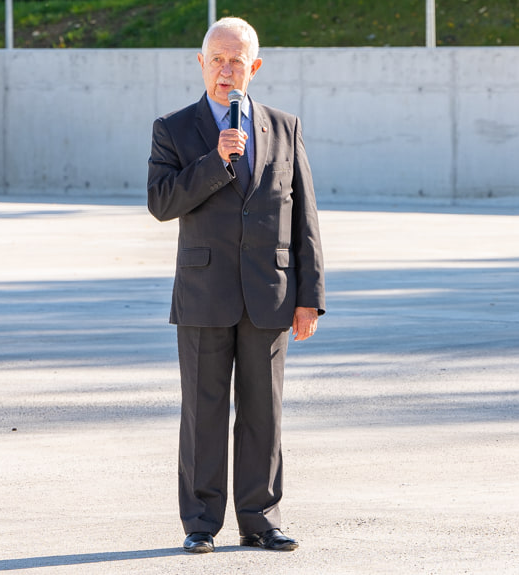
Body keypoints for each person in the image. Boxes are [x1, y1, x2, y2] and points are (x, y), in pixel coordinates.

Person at [146, 17, 325, 554]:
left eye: (237, 61)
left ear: (255, 67)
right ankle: (201, 522)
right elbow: (162, 203)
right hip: (204, 294)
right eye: (217, 60)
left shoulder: (284, 127)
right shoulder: (173, 129)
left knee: (263, 413)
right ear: (201, 64)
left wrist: (309, 297)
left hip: (270, 294)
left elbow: (304, 217)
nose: (226, 70)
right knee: (202, 413)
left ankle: (260, 519)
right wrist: (214, 161)